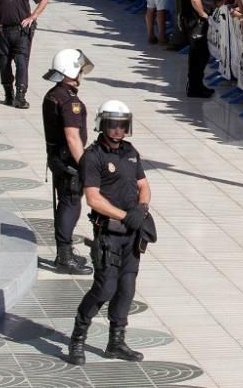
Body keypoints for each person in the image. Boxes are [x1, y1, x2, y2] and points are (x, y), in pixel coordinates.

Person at [68, 101, 153, 365]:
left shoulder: (130, 151)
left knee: (127, 289)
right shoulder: (92, 157)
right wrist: (124, 216)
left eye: (122, 125)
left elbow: (144, 184)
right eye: (113, 125)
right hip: (109, 234)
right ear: (103, 125)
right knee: (105, 288)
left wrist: (142, 207)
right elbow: (93, 199)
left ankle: (116, 341)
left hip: (132, 234)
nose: (118, 130)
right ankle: (78, 338)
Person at [42, 48, 95, 275]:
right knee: (70, 204)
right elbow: (73, 137)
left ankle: (65, 252)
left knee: (67, 203)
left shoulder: (53, 94)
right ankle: (64, 257)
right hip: (68, 161)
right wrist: (86, 165)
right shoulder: (68, 101)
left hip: (57, 158)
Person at [179, 0, 218, 98]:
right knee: (198, 55)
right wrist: (203, 14)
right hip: (197, 23)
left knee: (200, 55)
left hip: (194, 21)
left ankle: (197, 85)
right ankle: (195, 87)